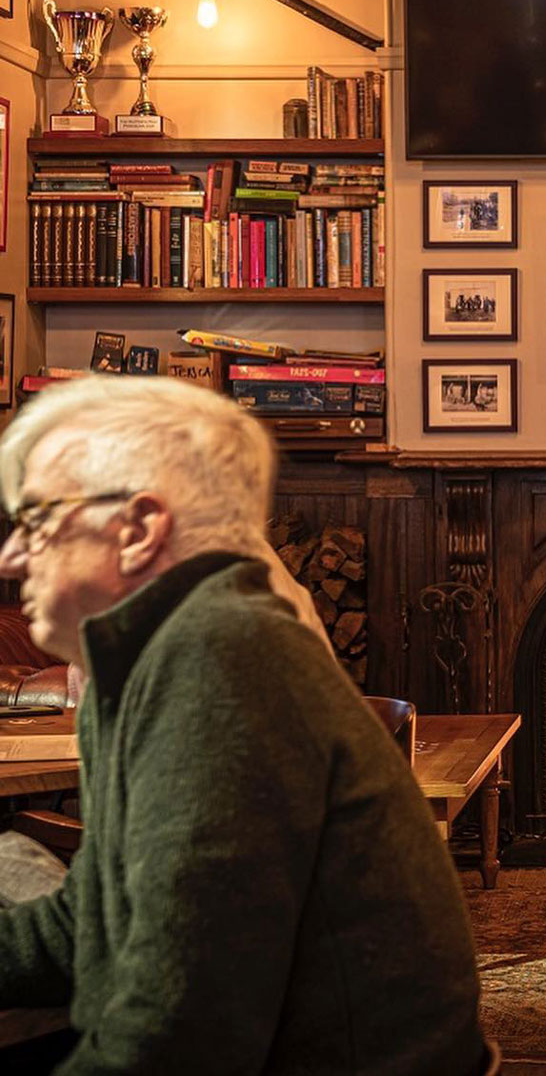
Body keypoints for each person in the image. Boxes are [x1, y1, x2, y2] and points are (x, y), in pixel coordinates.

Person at [0, 376, 485, 1073]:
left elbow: (180, 1039)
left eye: (39, 517)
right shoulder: (140, 657)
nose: (12, 554)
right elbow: (88, 924)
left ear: (138, 529)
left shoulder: (220, 660)